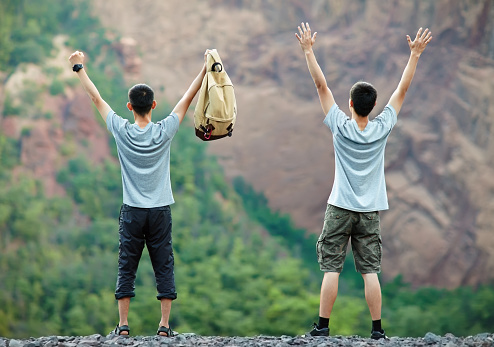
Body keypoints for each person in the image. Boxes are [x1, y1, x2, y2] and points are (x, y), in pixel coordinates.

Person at [295, 23, 432, 339]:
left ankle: (322, 327)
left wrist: (307, 49)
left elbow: (321, 86)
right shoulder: (382, 127)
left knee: (332, 268)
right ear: (372, 107)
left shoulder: (340, 127)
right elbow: (402, 91)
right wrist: (415, 55)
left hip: (340, 206)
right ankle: (378, 331)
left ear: (352, 105)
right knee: (370, 271)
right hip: (370, 211)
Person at [68, 49, 210, 337]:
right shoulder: (164, 131)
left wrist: (79, 67)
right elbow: (186, 100)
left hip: (132, 210)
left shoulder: (121, 130)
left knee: (127, 264)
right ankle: (164, 326)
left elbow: (96, 99)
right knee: (164, 264)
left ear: (130, 107)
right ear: (154, 105)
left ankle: (122, 326)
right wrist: (206, 70)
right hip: (159, 210)